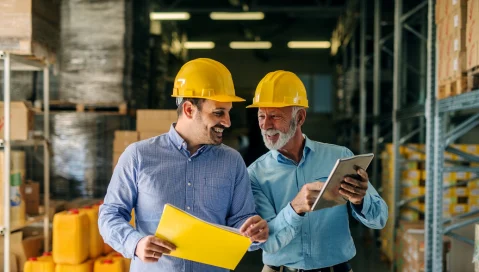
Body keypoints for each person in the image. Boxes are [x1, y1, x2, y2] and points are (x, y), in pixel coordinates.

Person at [99, 58, 269, 272]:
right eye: (218, 113)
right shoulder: (138, 156)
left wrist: (253, 233)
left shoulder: (232, 162)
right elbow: (110, 214)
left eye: (228, 112)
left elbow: (241, 222)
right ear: (189, 109)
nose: (227, 122)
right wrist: (135, 243)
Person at [246, 70, 388, 272]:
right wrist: (295, 208)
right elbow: (268, 241)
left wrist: (360, 200)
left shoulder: (339, 157)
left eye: (275, 116)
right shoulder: (254, 174)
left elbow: (380, 219)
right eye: (262, 116)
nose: (266, 125)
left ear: (300, 117)